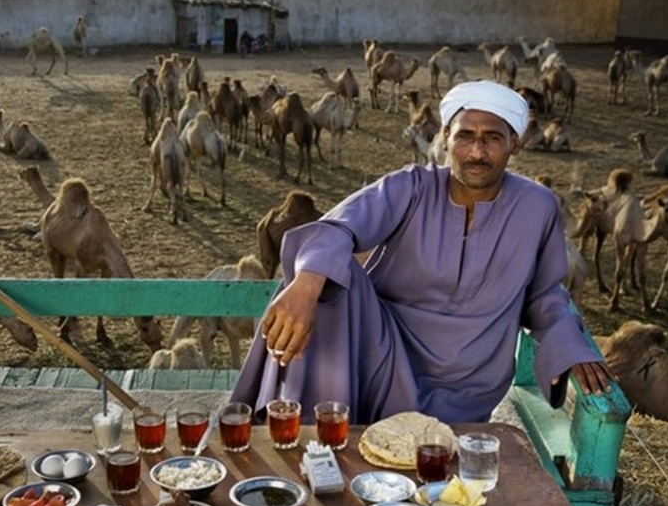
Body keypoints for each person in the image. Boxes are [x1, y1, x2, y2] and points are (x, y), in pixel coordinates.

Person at [230, 80, 614, 425]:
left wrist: (571, 347)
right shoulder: (411, 187)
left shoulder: (538, 206)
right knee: (327, 277)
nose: (477, 152)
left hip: (470, 380)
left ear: (515, 142)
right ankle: (313, 434)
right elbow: (339, 227)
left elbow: (546, 294)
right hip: (387, 356)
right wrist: (306, 284)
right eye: (465, 136)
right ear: (445, 138)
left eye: (492, 138)